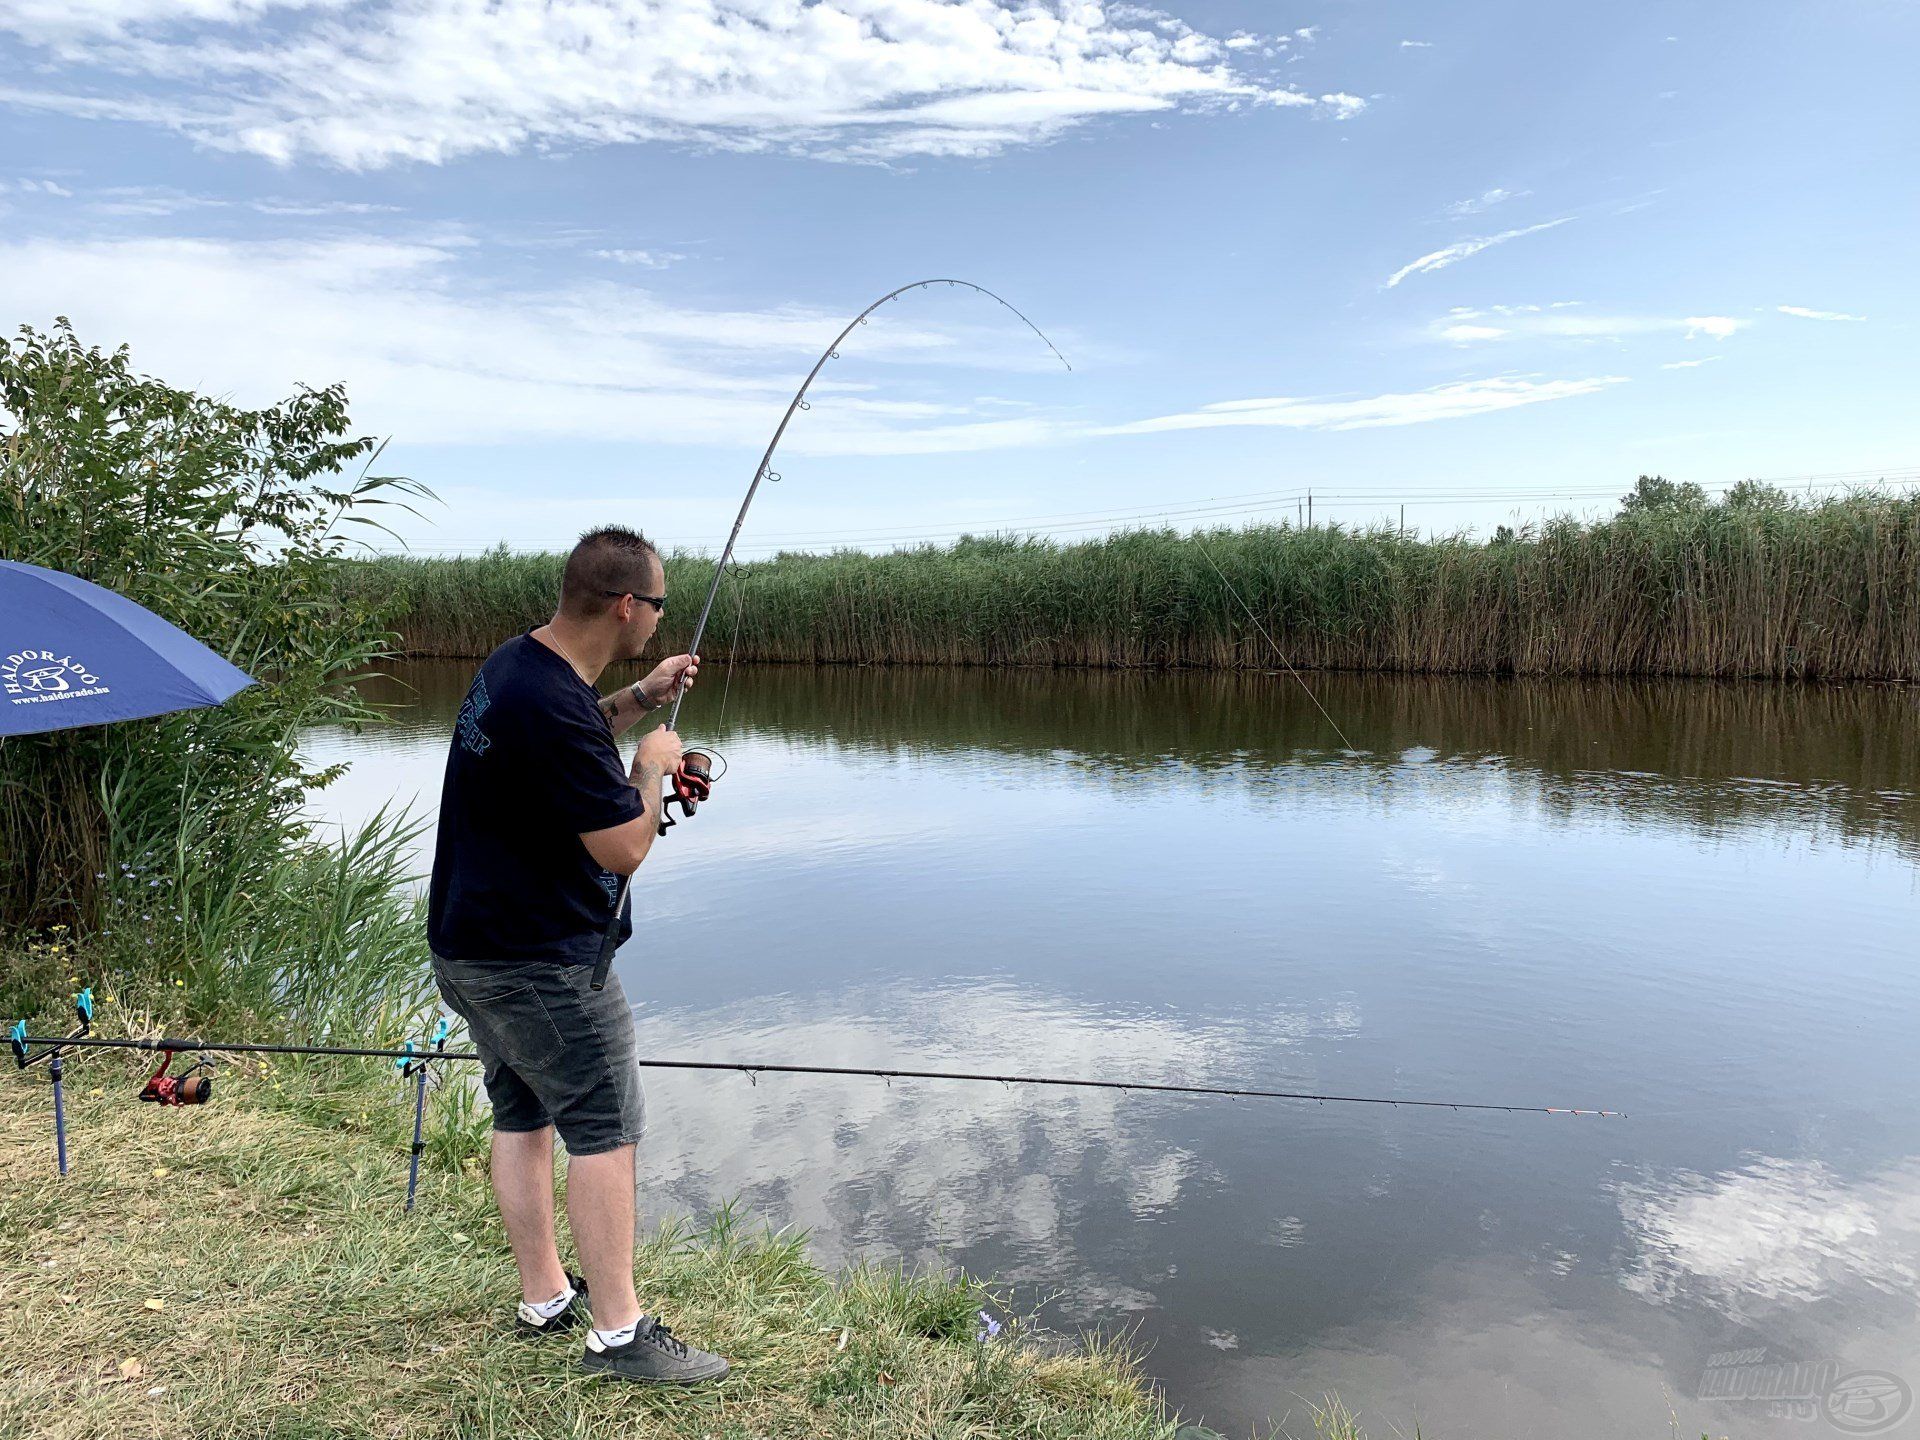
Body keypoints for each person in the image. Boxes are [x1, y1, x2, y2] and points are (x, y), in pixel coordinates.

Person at [427, 524, 728, 1384]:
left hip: (471, 948)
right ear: (627, 605)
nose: (661, 623)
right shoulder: (551, 703)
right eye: (658, 606)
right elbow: (623, 850)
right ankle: (621, 1333)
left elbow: (567, 732)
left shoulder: (518, 668)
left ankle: (545, 1296)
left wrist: (641, 695)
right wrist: (650, 768)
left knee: (522, 1115)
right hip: (540, 964)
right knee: (607, 1131)